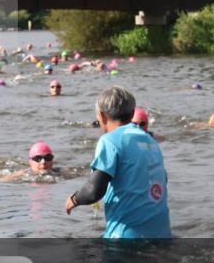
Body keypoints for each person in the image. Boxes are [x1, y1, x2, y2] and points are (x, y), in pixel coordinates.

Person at [65, 86, 171, 239]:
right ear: (133, 113)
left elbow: (93, 191)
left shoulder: (110, 141)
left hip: (126, 238)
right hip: (163, 234)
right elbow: (163, 180)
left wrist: (74, 199)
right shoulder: (150, 141)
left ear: (102, 116)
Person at [0, 141, 77, 182]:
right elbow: (3, 180)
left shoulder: (60, 172)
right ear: (30, 162)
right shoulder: (24, 174)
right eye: (38, 158)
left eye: (48, 157)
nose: (43, 162)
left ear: (52, 160)